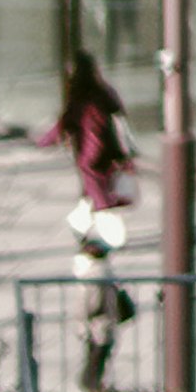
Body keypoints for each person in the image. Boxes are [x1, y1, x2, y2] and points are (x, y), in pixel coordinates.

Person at [39, 51, 133, 272]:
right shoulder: (104, 93)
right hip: (106, 155)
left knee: (97, 196)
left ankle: (86, 225)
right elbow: (118, 118)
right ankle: (108, 234)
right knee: (100, 198)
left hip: (90, 157)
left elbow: (64, 125)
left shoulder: (79, 98)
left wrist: (45, 141)